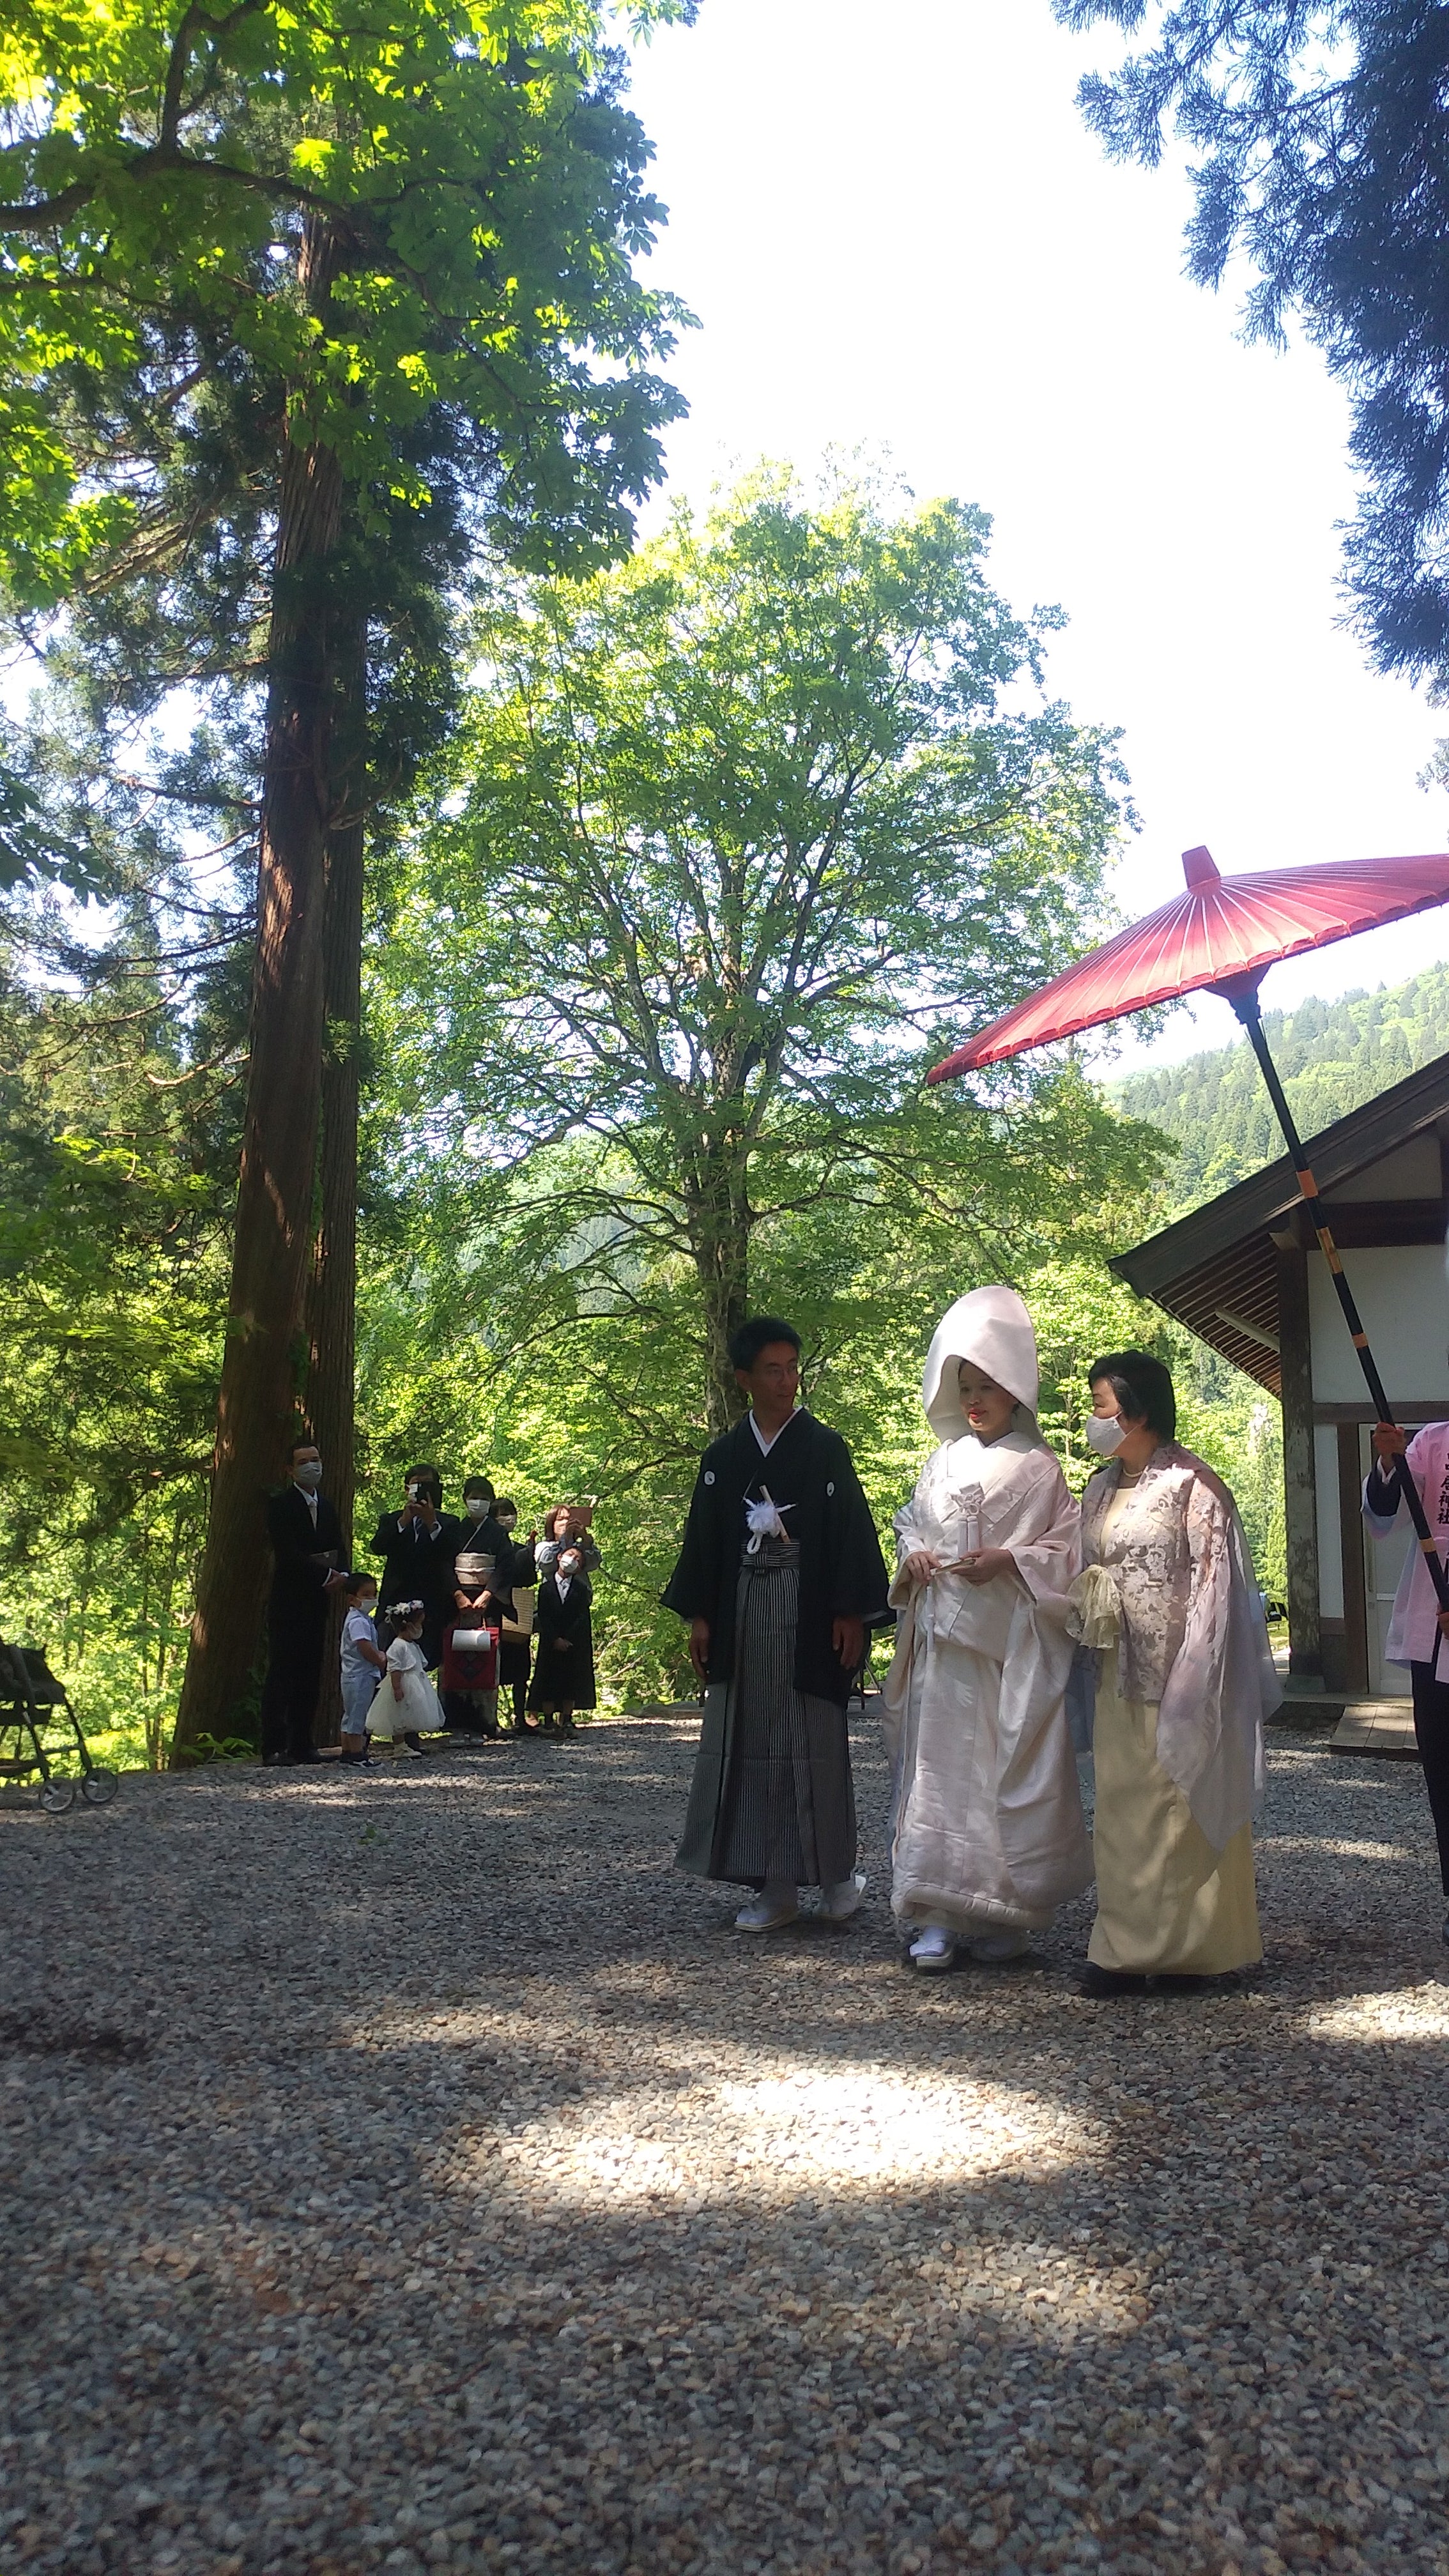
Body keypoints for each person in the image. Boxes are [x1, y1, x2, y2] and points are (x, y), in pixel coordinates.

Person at [884, 1286, 1091, 1972]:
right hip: (945, 1642)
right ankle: (937, 1914)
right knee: (939, 1774)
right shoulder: (941, 1461)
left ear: (1014, 1392)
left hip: (1007, 1645)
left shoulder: (1040, 1469)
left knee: (1001, 1771)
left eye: (987, 1386)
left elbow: (1067, 1551)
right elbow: (912, 1523)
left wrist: (1009, 1558)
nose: (974, 1399)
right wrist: (912, 1555)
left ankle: (1008, 1912)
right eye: (965, 1386)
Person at [665, 1315, 889, 1932]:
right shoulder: (722, 1458)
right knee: (752, 1743)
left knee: (815, 1742)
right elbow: (707, 1544)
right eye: (773, 1369)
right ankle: (776, 1885)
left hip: (810, 1612)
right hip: (744, 1611)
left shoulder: (824, 1447)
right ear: (744, 1379)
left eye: (793, 1367)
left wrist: (852, 1612)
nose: (788, 1379)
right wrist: (701, 1617)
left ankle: (838, 1878)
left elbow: (850, 1531)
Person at [1070, 1350, 1277, 1995]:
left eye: (1102, 1406)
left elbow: (1217, 1587)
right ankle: (1123, 1945)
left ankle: (1193, 1950)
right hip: (1114, 1668)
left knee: (1181, 1806)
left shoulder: (1195, 1485)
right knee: (1123, 1811)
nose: (1094, 1418)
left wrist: (1201, 1674)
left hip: (1182, 1671)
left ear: (1137, 1410)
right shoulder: (1102, 1486)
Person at [1363, 1413, 1449, 1944]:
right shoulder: (1436, 1440)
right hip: (1433, 1624)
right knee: (1443, 1767)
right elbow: (1385, 1516)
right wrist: (1391, 1460)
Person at [260, 1438, 346, 1767]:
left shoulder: (327, 1505)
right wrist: (324, 1577)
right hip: (288, 1602)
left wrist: (343, 1575)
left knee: (311, 1672)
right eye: (304, 1461)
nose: (313, 1466)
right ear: (290, 1469)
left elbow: (338, 1545)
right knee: (283, 1671)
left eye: (316, 1459)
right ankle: (274, 1746)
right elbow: (289, 1554)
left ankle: (302, 1743)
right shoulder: (280, 1506)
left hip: (318, 1604)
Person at [441, 1479, 512, 1740]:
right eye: (474, 1496)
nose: (478, 1502)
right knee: (455, 1660)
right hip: (457, 1604)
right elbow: (444, 1564)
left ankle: (486, 1721)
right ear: (464, 1499)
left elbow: (505, 1566)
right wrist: (458, 1595)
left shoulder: (498, 1533)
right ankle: (456, 1723)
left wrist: (488, 1594)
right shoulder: (453, 1531)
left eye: (484, 1497)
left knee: (487, 1659)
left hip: (488, 1604)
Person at [369, 1465, 458, 1671]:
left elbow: (451, 1550)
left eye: (427, 1483)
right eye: (416, 1483)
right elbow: (378, 1547)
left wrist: (432, 1524)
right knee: (393, 1667)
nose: (421, 1488)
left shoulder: (448, 1523)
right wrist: (403, 1521)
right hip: (395, 1608)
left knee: (426, 1667)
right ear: (406, 1488)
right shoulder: (391, 1520)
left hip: (432, 1611)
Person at [527, 1542, 597, 1731]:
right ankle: (547, 1718)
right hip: (550, 1640)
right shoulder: (546, 1588)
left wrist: (567, 1638)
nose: (572, 1561)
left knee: (571, 1678)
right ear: (560, 1557)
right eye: (571, 1555)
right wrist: (554, 1638)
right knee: (547, 1677)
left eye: (578, 1560)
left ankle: (566, 1718)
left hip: (573, 1642)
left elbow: (582, 1616)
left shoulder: (582, 1590)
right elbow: (544, 1615)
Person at [366, 1600, 445, 1758]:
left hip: (415, 1683)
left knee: (409, 1714)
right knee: (399, 1715)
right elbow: (395, 1668)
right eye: (418, 1625)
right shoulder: (398, 1646)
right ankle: (399, 1746)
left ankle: (409, 1744)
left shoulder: (412, 1645)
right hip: (403, 1684)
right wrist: (397, 1688)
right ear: (408, 1626)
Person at [492, 1498, 538, 1731]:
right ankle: (490, 1718)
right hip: (491, 1610)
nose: (507, 1518)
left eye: (510, 1513)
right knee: (491, 1665)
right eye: (501, 1514)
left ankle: (521, 1717)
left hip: (517, 1610)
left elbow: (530, 1580)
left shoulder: (520, 1549)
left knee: (521, 1668)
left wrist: (529, 1554)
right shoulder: (488, 1546)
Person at [339, 1570, 387, 1766]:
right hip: (360, 1674)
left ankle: (346, 1751)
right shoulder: (358, 1621)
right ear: (352, 1599)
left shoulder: (361, 1619)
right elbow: (364, 1646)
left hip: (352, 1674)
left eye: (373, 1594)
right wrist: (379, 1659)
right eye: (366, 1595)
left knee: (350, 1713)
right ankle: (357, 1754)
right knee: (357, 1714)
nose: (371, 1599)